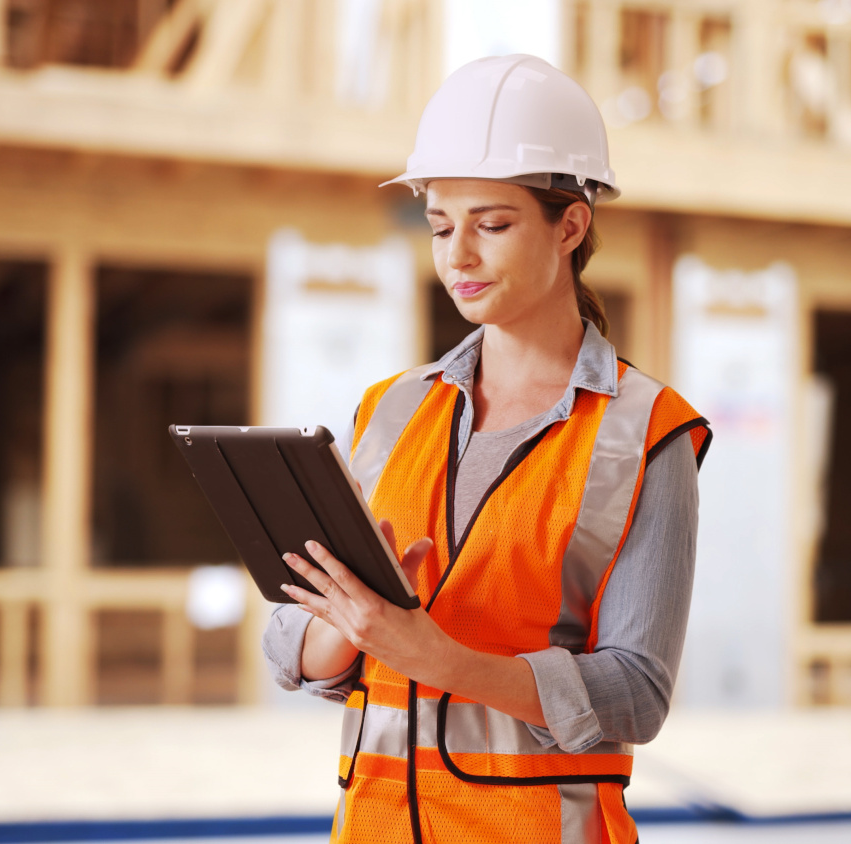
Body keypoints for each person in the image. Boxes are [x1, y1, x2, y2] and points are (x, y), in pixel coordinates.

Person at [262, 53, 712, 844]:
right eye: (439, 226)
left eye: (492, 225)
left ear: (570, 224)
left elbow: (638, 695)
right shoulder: (391, 410)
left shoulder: (647, 433)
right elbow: (290, 637)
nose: (457, 257)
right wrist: (351, 629)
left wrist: (441, 659)